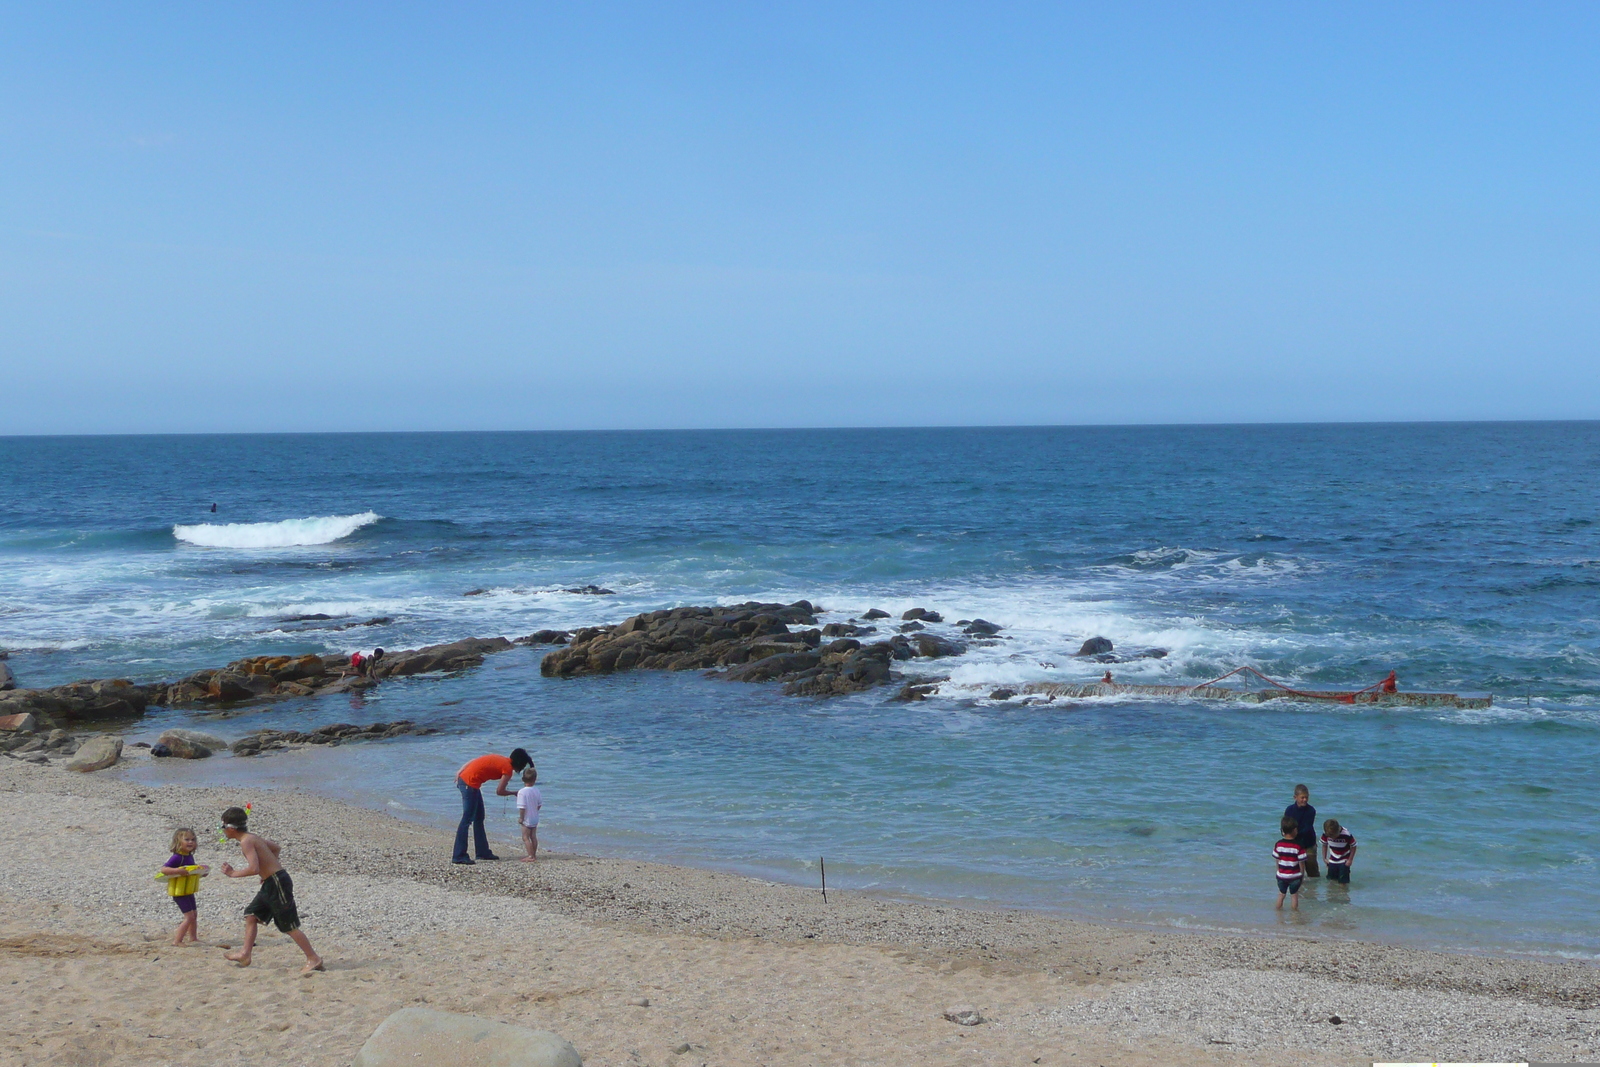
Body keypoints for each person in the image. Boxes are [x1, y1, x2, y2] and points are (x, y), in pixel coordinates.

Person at [218, 806, 324, 975]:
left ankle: (313, 958)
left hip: (278, 883)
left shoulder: (246, 841)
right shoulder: (252, 837)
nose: (222, 831)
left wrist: (233, 873)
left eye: (221, 827)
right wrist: (268, 870)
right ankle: (245, 954)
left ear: (231, 828)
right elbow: (276, 848)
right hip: (272, 881)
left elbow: (253, 868)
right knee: (251, 915)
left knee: (287, 925)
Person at [453, 749, 531, 864]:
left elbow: (476, 760)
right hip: (469, 784)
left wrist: (460, 770)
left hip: (468, 781)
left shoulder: (503, 760)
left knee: (479, 818)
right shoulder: (508, 769)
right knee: (467, 819)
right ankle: (458, 855)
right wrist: (515, 793)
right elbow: (499, 791)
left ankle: (482, 852)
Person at [159, 828, 207, 946]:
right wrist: (177, 870)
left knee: (194, 914)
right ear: (178, 842)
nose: (190, 842)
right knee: (189, 917)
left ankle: (193, 938)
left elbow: (190, 871)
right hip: (179, 891)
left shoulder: (189, 856)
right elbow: (164, 869)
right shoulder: (177, 857)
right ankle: (177, 941)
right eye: (187, 839)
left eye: (193, 839)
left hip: (188, 889)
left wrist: (201, 873)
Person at [1285, 784, 1320, 878]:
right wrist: (1286, 836)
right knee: (1296, 870)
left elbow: (1307, 827)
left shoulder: (1311, 810)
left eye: (1306, 797)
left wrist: (1294, 833)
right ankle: (1300, 889)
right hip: (1294, 842)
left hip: (1309, 843)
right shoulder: (1289, 810)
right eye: (1302, 797)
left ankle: (1314, 890)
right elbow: (1286, 825)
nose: (1305, 800)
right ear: (1295, 797)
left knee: (1312, 870)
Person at [1274, 815, 1307, 911]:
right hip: (1294, 876)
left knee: (1281, 894)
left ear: (1282, 831)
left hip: (1281, 875)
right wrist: (1302, 875)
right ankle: (1294, 914)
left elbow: (1277, 860)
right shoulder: (1299, 846)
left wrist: (1278, 871)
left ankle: (1278, 913)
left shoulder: (1278, 844)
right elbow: (1301, 863)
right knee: (1294, 895)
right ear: (1294, 830)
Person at [516, 765, 542, 863]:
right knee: (533, 836)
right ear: (535, 779)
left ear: (523, 779)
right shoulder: (536, 790)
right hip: (535, 817)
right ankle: (534, 854)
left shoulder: (522, 792)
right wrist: (535, 811)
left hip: (527, 818)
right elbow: (539, 804)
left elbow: (522, 807)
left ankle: (531, 856)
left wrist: (521, 818)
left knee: (525, 837)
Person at [1321, 818, 1358, 884]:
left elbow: (1353, 846)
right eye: (1330, 836)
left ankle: (1343, 893)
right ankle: (1333, 893)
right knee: (1331, 880)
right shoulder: (1326, 834)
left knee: (1343, 881)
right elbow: (1324, 845)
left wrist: (1350, 859)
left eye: (1334, 835)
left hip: (1344, 860)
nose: (1332, 837)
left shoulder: (1346, 834)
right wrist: (1324, 858)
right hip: (1332, 859)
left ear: (1338, 830)